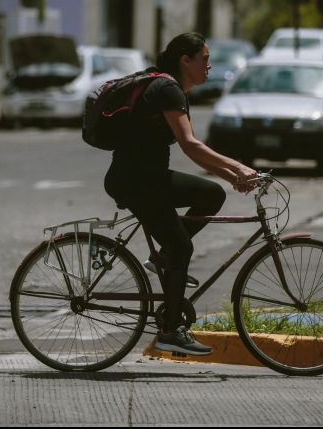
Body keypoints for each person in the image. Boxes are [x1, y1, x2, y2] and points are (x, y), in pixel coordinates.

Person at [104, 32, 257, 355]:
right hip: (137, 182)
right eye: (205, 58)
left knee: (211, 195)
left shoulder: (167, 87)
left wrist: (231, 177)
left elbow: (194, 151)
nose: (209, 65)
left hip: (148, 179)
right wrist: (239, 168)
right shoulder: (168, 90)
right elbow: (190, 145)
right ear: (185, 61)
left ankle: (163, 259)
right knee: (182, 245)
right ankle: (171, 330)